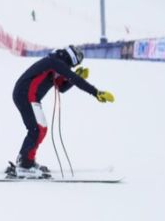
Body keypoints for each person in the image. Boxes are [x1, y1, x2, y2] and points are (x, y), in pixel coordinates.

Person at [8, 45, 115, 179]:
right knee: (37, 128)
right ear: (70, 59)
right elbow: (74, 79)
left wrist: (74, 78)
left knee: (38, 128)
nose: (70, 68)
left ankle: (25, 160)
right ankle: (25, 165)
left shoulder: (55, 63)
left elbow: (61, 87)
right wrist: (96, 92)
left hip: (25, 94)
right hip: (26, 94)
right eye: (72, 65)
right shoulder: (54, 62)